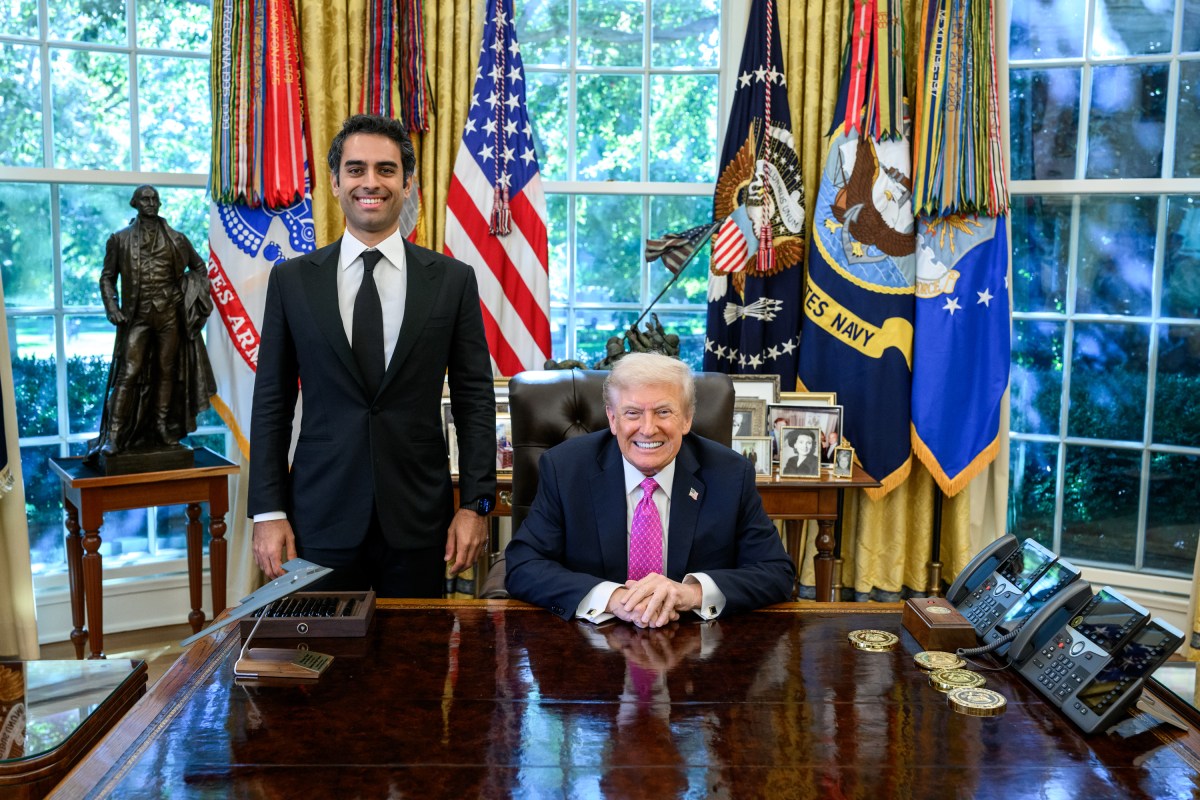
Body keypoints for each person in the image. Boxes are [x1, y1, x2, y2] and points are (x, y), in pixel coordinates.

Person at [249, 114, 496, 597]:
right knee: (322, 647)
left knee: (416, 649)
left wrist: (476, 505)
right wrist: (268, 511)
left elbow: (475, 402)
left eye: (386, 169)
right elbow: (272, 403)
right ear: (335, 182)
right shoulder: (292, 281)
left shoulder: (452, 281)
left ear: (407, 183)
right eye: (356, 169)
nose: (371, 182)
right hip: (318, 518)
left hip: (419, 519)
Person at [504, 352, 795, 628]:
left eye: (663, 412)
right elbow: (523, 565)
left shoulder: (730, 474)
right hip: (590, 639)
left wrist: (689, 593)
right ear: (612, 418)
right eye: (632, 413)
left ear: (687, 418)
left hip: (695, 642)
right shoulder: (566, 469)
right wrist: (613, 599)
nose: (647, 429)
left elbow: (775, 572)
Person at [91, 185, 214, 457]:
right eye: (145, 199)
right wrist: (112, 307)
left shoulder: (177, 239)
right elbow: (107, 277)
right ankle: (114, 435)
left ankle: (161, 427)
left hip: (169, 316)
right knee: (128, 372)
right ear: (135, 203)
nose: (150, 202)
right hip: (137, 317)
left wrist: (187, 292)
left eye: (154, 198)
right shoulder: (119, 239)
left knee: (166, 371)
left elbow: (199, 268)